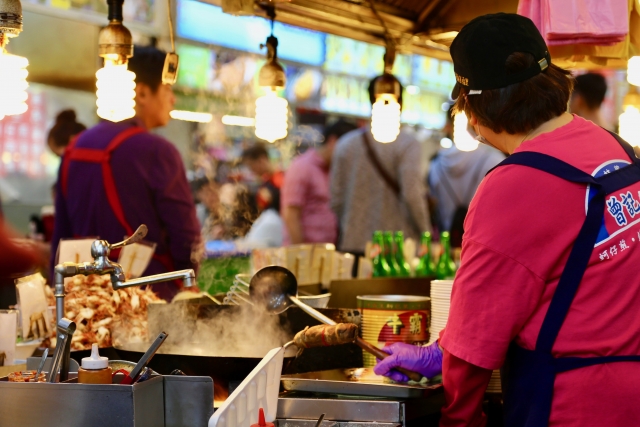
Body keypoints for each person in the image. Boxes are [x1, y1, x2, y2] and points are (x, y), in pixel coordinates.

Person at [374, 13, 640, 427]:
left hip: (569, 406)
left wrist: (459, 418)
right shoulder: (612, 147)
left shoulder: (515, 185)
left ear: (475, 110)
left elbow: (475, 341)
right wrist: (440, 351)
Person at [51, 46, 200, 301]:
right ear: (142, 92)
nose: (173, 99)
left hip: (85, 304)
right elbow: (187, 240)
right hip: (148, 300)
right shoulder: (158, 151)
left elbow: (59, 240)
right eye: (168, 89)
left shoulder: (73, 150)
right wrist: (190, 279)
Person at [330, 80, 430, 256]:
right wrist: (425, 233)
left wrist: (352, 223)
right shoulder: (407, 144)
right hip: (394, 249)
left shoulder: (345, 144)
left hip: (352, 245)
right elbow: (412, 194)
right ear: (401, 103)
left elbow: (335, 199)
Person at [428, 107, 505, 246]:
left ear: (448, 126)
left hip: (444, 245)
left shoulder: (435, 163)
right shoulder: (494, 161)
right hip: (481, 245)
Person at [281, 120, 357, 245]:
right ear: (333, 141)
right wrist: (300, 254)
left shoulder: (333, 170)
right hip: (304, 254)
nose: (350, 156)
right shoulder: (303, 166)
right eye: (348, 150)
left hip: (323, 252)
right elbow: (291, 215)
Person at [241, 144, 284, 213]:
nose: (252, 170)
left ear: (261, 160)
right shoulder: (266, 179)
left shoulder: (279, 178)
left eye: (251, 165)